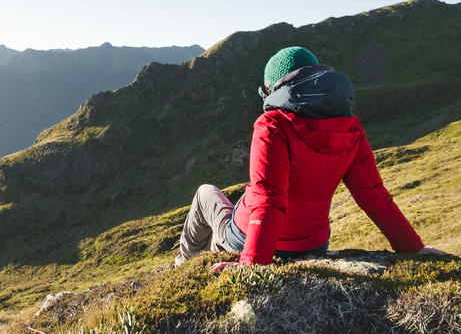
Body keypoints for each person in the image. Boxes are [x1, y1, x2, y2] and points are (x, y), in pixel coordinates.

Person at [174, 46, 446, 271]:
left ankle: (182, 267)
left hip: (246, 237)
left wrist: (252, 265)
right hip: (313, 244)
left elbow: (268, 198)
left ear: (272, 88)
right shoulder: (350, 128)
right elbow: (374, 196)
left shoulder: (272, 124)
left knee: (205, 193)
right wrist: (414, 248)